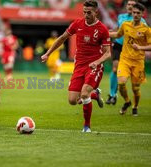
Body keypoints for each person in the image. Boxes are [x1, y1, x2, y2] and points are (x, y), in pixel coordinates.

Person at [41, 0, 111, 132]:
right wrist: (47, 53)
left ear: (96, 12)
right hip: (79, 66)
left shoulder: (102, 29)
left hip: (94, 66)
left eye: (89, 12)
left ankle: (86, 126)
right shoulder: (77, 24)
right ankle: (94, 94)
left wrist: (97, 62)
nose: (86, 15)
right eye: (84, 12)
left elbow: (107, 54)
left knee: (84, 94)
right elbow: (62, 38)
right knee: (73, 100)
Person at [109, 3, 151, 116]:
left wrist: (141, 47)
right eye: (134, 12)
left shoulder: (146, 29)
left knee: (136, 88)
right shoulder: (125, 24)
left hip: (138, 62)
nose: (136, 15)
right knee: (121, 83)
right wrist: (105, 33)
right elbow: (117, 35)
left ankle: (135, 106)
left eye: (138, 13)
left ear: (143, 14)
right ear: (132, 13)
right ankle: (127, 102)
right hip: (125, 59)